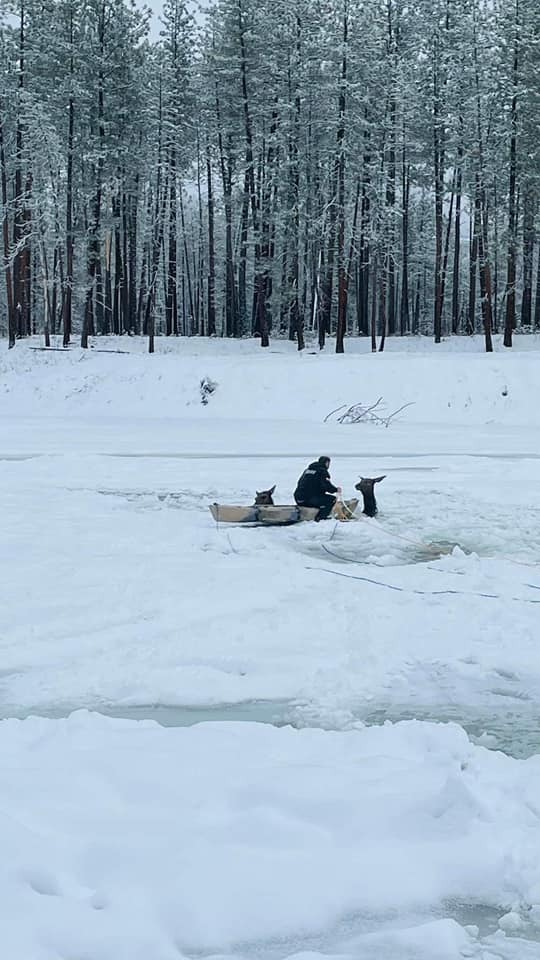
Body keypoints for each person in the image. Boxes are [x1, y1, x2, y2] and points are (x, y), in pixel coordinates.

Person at [294, 456, 342, 521]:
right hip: (309, 499)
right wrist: (335, 489)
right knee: (332, 499)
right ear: (326, 463)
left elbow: (300, 482)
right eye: (328, 463)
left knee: (318, 498)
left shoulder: (307, 470)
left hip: (298, 498)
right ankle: (321, 517)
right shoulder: (322, 471)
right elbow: (326, 485)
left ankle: (313, 512)